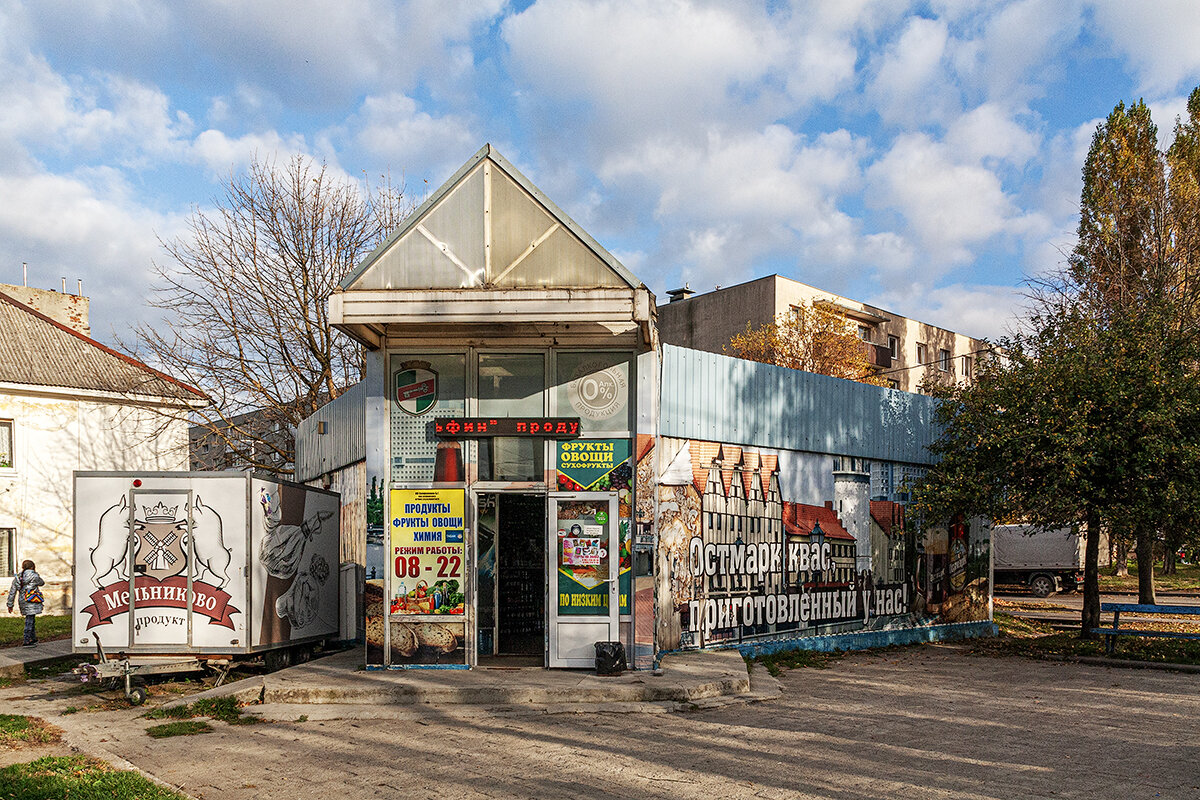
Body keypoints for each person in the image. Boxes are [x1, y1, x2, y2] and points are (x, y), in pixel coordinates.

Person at [7, 560, 45, 646]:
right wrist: (36, 573)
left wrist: (10, 604)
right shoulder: (34, 576)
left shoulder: (18, 578)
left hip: (23, 600)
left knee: (31, 618)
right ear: (32, 567)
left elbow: (12, 592)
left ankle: (33, 638)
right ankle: (26, 640)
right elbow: (42, 583)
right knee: (30, 620)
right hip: (32, 600)